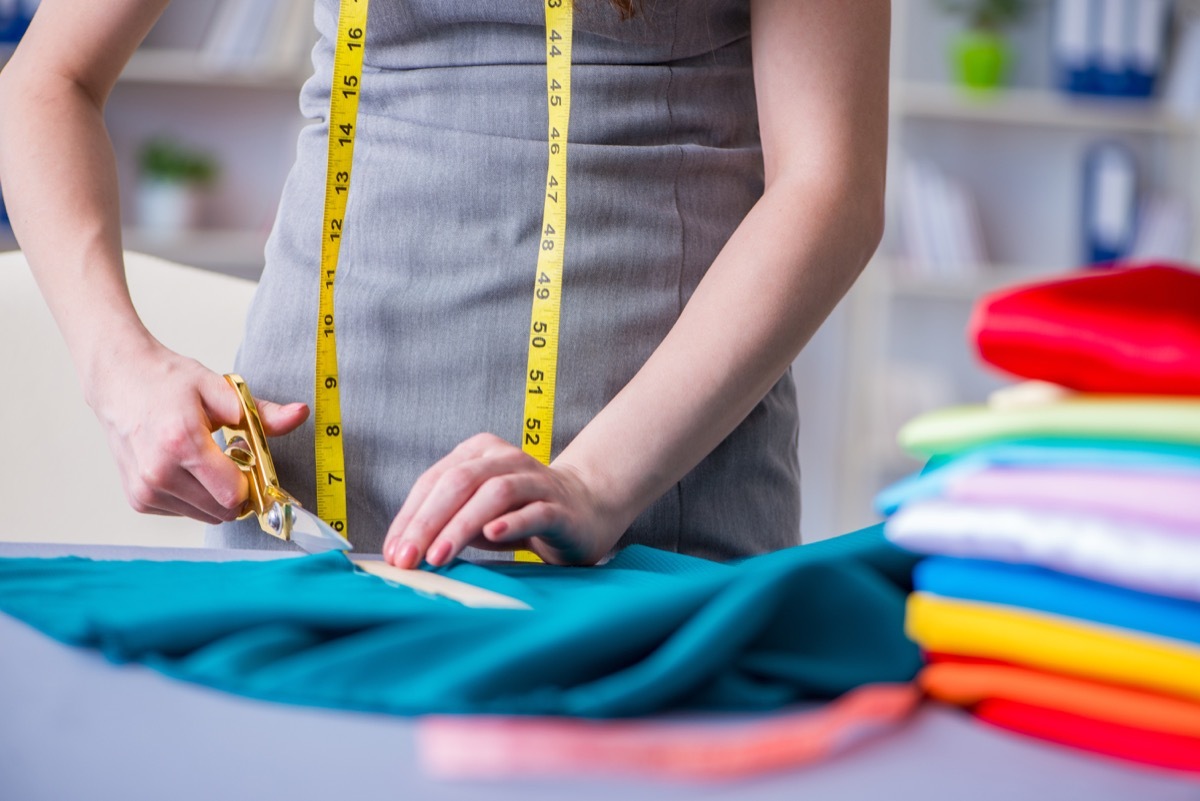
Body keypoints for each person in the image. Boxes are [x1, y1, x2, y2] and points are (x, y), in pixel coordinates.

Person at [0, 0, 889, 568]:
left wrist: (597, 481)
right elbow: (43, 82)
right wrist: (116, 366)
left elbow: (830, 185)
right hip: (310, 495)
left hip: (655, 486)